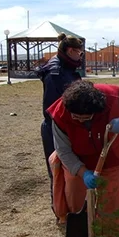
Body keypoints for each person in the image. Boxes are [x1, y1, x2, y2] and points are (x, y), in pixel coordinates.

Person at [47, 80, 119, 232]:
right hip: (78, 160)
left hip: (114, 157)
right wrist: (83, 172)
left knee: (111, 202)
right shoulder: (60, 113)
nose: (80, 121)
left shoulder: (112, 99)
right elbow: (64, 151)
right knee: (76, 199)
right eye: (76, 117)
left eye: (86, 118)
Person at [37, 33, 83, 206]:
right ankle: (60, 211)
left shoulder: (67, 69)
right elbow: (52, 108)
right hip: (55, 128)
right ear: (71, 50)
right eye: (80, 53)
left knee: (71, 171)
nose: (80, 56)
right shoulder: (55, 73)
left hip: (69, 126)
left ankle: (73, 206)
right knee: (57, 172)